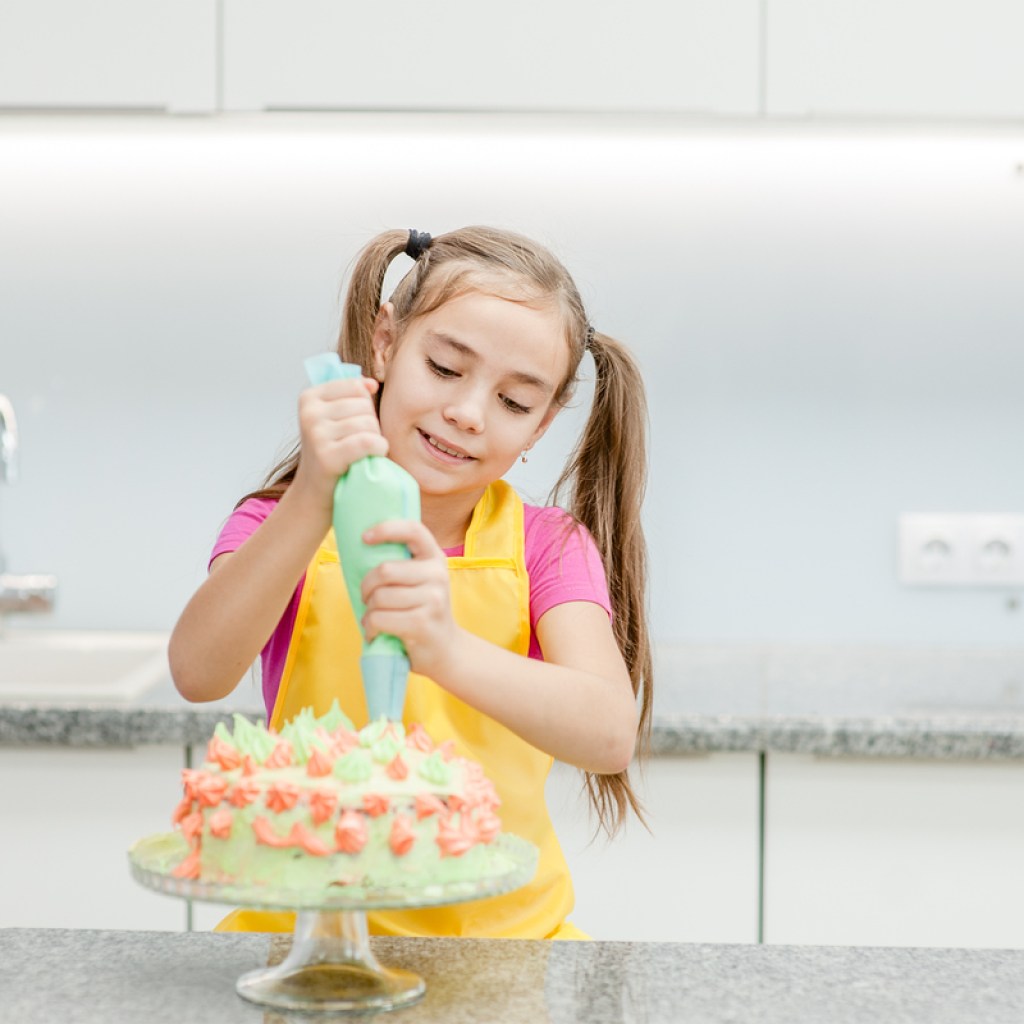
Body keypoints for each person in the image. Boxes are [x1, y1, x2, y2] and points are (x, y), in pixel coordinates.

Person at [169, 226, 653, 940]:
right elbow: (197, 671)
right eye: (446, 367)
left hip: (505, 953)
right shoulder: (281, 522)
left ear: (542, 426)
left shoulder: (548, 547)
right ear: (387, 342)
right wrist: (310, 497)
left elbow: (610, 732)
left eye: (514, 403)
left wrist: (445, 647)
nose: (467, 412)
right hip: (302, 946)